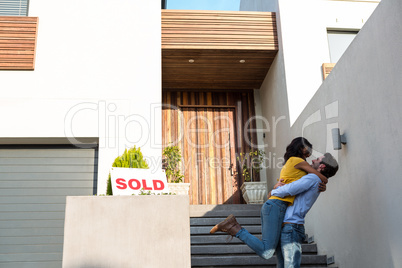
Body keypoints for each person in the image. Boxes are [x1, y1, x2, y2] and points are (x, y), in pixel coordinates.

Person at [209, 137, 328, 260]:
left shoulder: (294, 163)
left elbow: (307, 182)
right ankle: (234, 228)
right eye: (307, 148)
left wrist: (321, 187)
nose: (310, 153)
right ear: (300, 147)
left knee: (273, 251)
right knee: (267, 252)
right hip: (277, 206)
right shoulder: (298, 161)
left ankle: (233, 227)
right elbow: (320, 177)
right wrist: (325, 181)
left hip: (275, 206)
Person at [270, 153, 339, 268]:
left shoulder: (313, 178)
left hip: (291, 227)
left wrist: (273, 191)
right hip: (288, 226)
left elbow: (289, 189)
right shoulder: (315, 179)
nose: (312, 161)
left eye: (317, 159)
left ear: (322, 166)